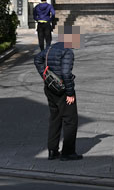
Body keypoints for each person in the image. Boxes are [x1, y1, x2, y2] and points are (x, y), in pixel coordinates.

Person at [34, 27, 82, 161]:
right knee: (70, 120)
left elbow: (37, 59)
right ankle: (68, 152)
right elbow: (66, 73)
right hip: (62, 89)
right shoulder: (68, 51)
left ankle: (52, 150)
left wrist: (45, 76)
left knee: (55, 118)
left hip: (49, 88)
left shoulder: (50, 48)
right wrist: (70, 93)